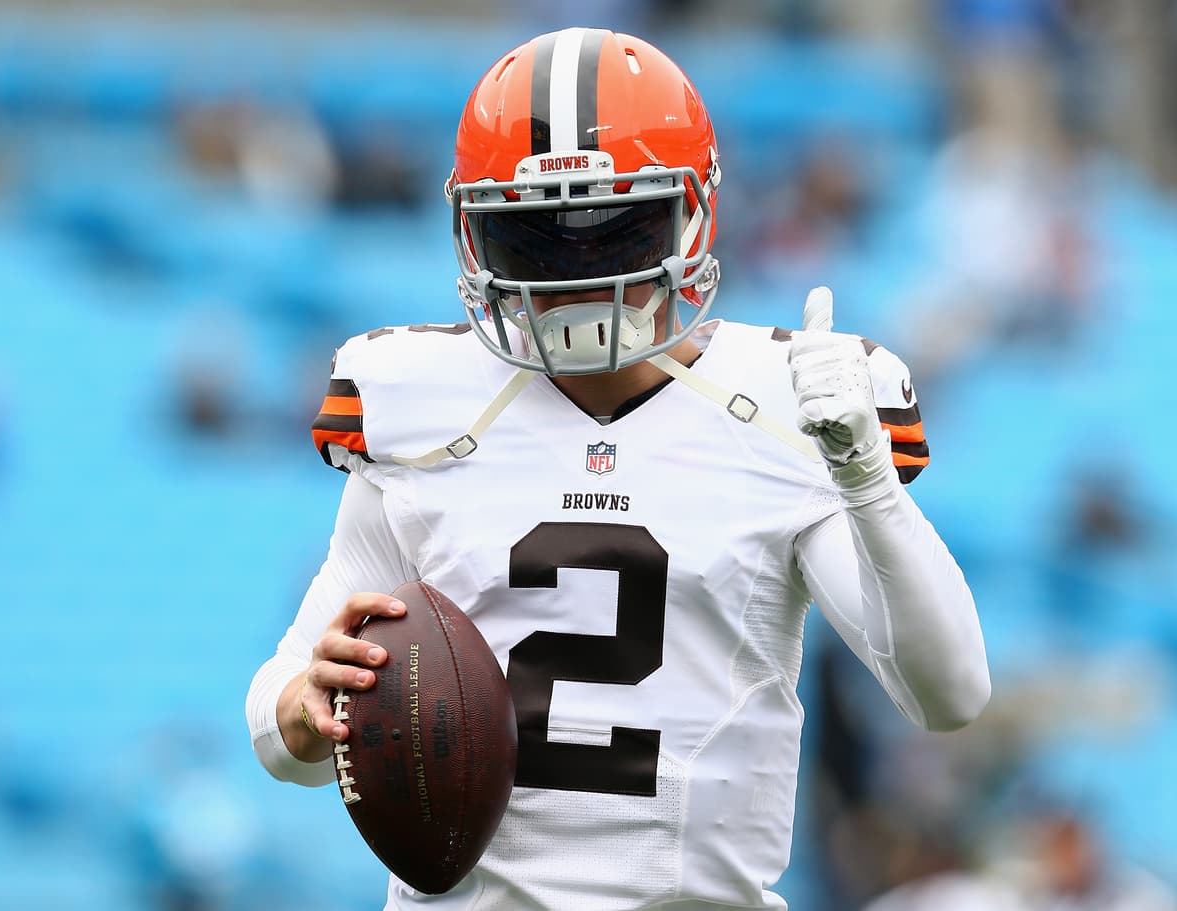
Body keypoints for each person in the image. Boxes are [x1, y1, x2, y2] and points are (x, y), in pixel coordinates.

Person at [246, 27, 990, 911]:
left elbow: (949, 693)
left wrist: (865, 478)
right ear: (473, 233)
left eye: (617, 233)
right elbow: (280, 726)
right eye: (534, 238)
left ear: (695, 215)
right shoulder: (422, 407)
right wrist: (308, 704)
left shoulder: (781, 407)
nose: (576, 274)